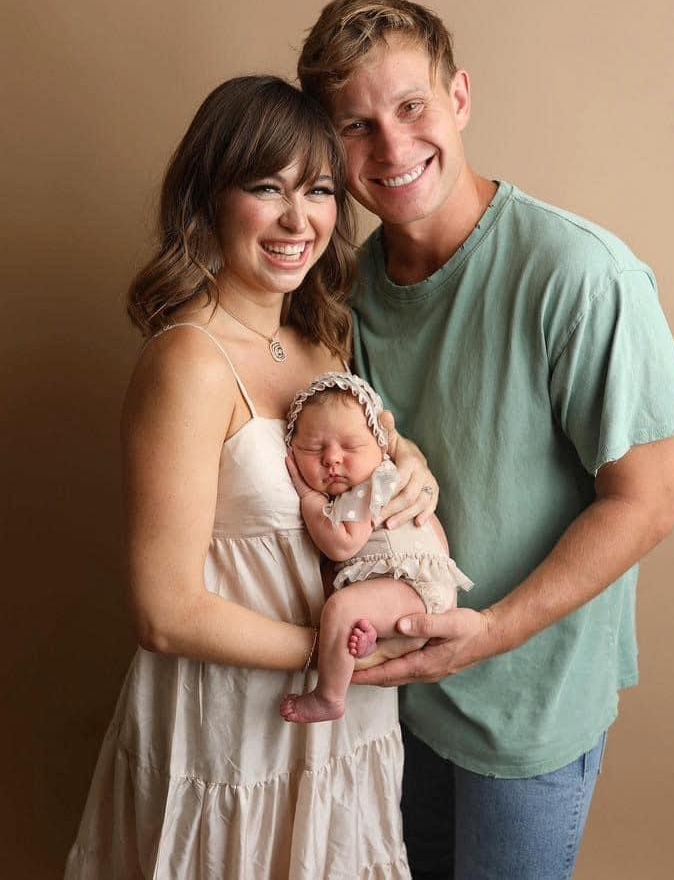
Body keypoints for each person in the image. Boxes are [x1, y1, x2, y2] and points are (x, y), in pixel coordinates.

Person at [298, 0, 674, 879]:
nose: (392, 148)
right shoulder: (343, 289)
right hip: (392, 698)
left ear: (460, 97)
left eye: (412, 106)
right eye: (357, 126)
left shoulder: (580, 274)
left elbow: (648, 502)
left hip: (528, 713)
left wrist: (489, 631)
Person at [64, 75, 424, 879]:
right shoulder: (189, 361)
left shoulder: (322, 342)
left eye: (319, 190)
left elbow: (370, 463)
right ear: (210, 197)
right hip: (230, 735)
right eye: (267, 188)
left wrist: (414, 465)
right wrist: (342, 654)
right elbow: (164, 611)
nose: (299, 220)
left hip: (341, 724)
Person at [278, 371, 473, 724]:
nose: (332, 459)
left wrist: (308, 498)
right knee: (352, 621)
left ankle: (328, 697)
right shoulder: (369, 482)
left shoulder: (374, 483)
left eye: (350, 447)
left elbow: (342, 545)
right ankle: (371, 641)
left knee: (340, 609)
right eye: (313, 448)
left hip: (413, 587)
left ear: (381, 445)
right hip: (411, 593)